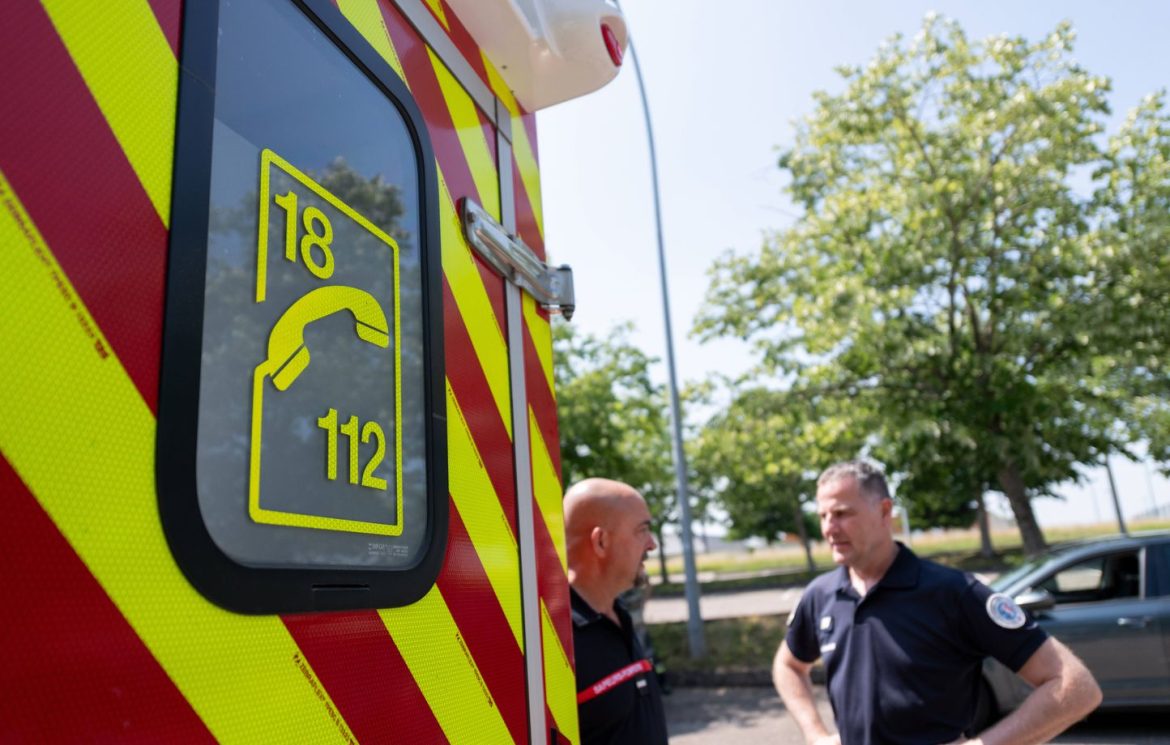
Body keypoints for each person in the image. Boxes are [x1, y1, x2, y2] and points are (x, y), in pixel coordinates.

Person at [774, 461, 1102, 745]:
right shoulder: (821, 595)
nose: (829, 528)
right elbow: (788, 665)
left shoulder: (953, 592)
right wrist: (815, 734)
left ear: (885, 511)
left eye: (842, 514)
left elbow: (1076, 686)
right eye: (823, 515)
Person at [565, 478, 668, 745]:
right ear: (600, 541)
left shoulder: (618, 614)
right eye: (641, 530)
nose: (652, 545)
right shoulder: (556, 640)